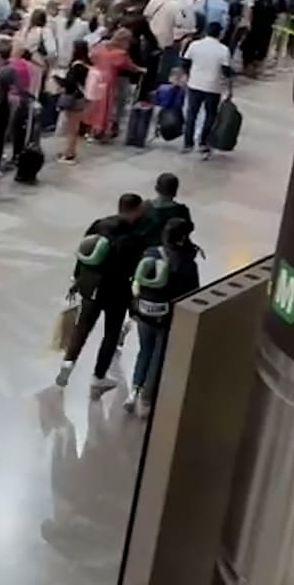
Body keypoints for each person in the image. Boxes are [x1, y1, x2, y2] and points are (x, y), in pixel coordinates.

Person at [57, 193, 150, 392]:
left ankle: (66, 366)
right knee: (111, 333)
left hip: (91, 286)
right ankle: (98, 377)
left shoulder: (99, 225)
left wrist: (77, 278)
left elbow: (83, 251)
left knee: (82, 327)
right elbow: (136, 268)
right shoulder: (135, 238)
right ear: (135, 211)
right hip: (117, 292)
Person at [129, 218, 203, 419]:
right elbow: (192, 294)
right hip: (165, 317)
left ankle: (133, 391)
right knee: (158, 356)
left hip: (143, 313)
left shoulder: (150, 253)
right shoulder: (186, 263)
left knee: (144, 350)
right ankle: (146, 400)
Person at [181, 24, 234, 158]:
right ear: (220, 34)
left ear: (206, 32)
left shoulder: (194, 45)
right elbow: (227, 72)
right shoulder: (223, 50)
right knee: (210, 115)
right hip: (213, 87)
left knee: (192, 113)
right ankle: (203, 142)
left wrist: (187, 77)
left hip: (195, 84)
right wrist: (229, 89)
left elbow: (185, 63)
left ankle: (188, 143)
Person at [57, 41, 92, 165]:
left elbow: (70, 83)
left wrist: (59, 80)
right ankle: (69, 151)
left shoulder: (76, 66)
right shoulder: (87, 64)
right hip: (81, 98)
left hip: (74, 99)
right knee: (74, 127)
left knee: (72, 128)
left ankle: (70, 154)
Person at [144, 172, 194, 247]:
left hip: (147, 252)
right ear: (175, 192)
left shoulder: (144, 207)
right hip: (173, 253)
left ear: (156, 188)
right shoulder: (182, 211)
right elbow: (188, 230)